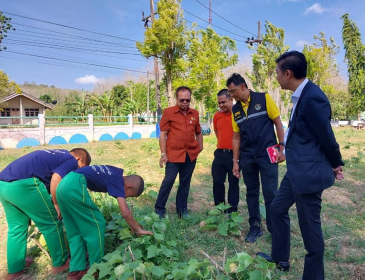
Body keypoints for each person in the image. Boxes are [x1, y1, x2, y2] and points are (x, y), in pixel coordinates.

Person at [257, 51, 345, 280]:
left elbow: (326, 136)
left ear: (288, 73)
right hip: (296, 170)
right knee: (276, 209)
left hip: (309, 175)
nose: (276, 77)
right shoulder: (300, 95)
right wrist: (285, 150)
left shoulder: (313, 97)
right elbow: (304, 135)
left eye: (277, 73)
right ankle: (280, 259)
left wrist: (336, 164)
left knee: (310, 233)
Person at [0, 148, 91, 280]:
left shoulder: (58, 154)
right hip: (24, 185)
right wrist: (56, 204)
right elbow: (55, 179)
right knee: (52, 223)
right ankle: (61, 263)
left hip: (3, 184)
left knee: (17, 229)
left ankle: (15, 270)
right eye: (80, 168)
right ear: (79, 159)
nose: (77, 172)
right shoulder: (71, 161)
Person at [56, 165, 153, 280]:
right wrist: (138, 229)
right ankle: (95, 268)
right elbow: (125, 212)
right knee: (97, 224)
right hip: (74, 186)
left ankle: (76, 269)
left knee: (74, 229)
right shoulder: (118, 180)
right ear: (128, 187)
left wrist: (133, 224)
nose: (125, 198)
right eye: (128, 195)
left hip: (63, 184)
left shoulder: (114, 172)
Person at [227, 73, 285, 243]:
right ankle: (255, 227)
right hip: (247, 157)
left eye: (233, 91)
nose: (231, 95)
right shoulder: (235, 110)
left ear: (242, 86)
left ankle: (275, 230)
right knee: (251, 192)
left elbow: (278, 123)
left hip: (268, 154)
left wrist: (282, 147)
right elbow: (236, 137)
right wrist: (235, 161)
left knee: (270, 193)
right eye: (229, 92)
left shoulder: (264, 98)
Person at [155, 86, 203, 218]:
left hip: (190, 154)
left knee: (185, 183)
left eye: (188, 100)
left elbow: (198, 132)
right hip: (173, 154)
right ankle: (159, 209)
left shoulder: (195, 113)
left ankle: (182, 210)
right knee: (169, 181)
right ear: (176, 99)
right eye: (182, 100)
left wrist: (200, 147)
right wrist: (163, 154)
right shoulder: (169, 112)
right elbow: (163, 134)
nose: (185, 103)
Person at [212, 89, 240, 213]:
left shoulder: (238, 114)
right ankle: (219, 208)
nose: (221, 105)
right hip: (219, 154)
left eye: (223, 102)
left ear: (231, 99)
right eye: (219, 103)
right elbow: (217, 132)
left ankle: (232, 210)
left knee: (233, 183)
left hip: (235, 155)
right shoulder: (217, 116)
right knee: (217, 182)